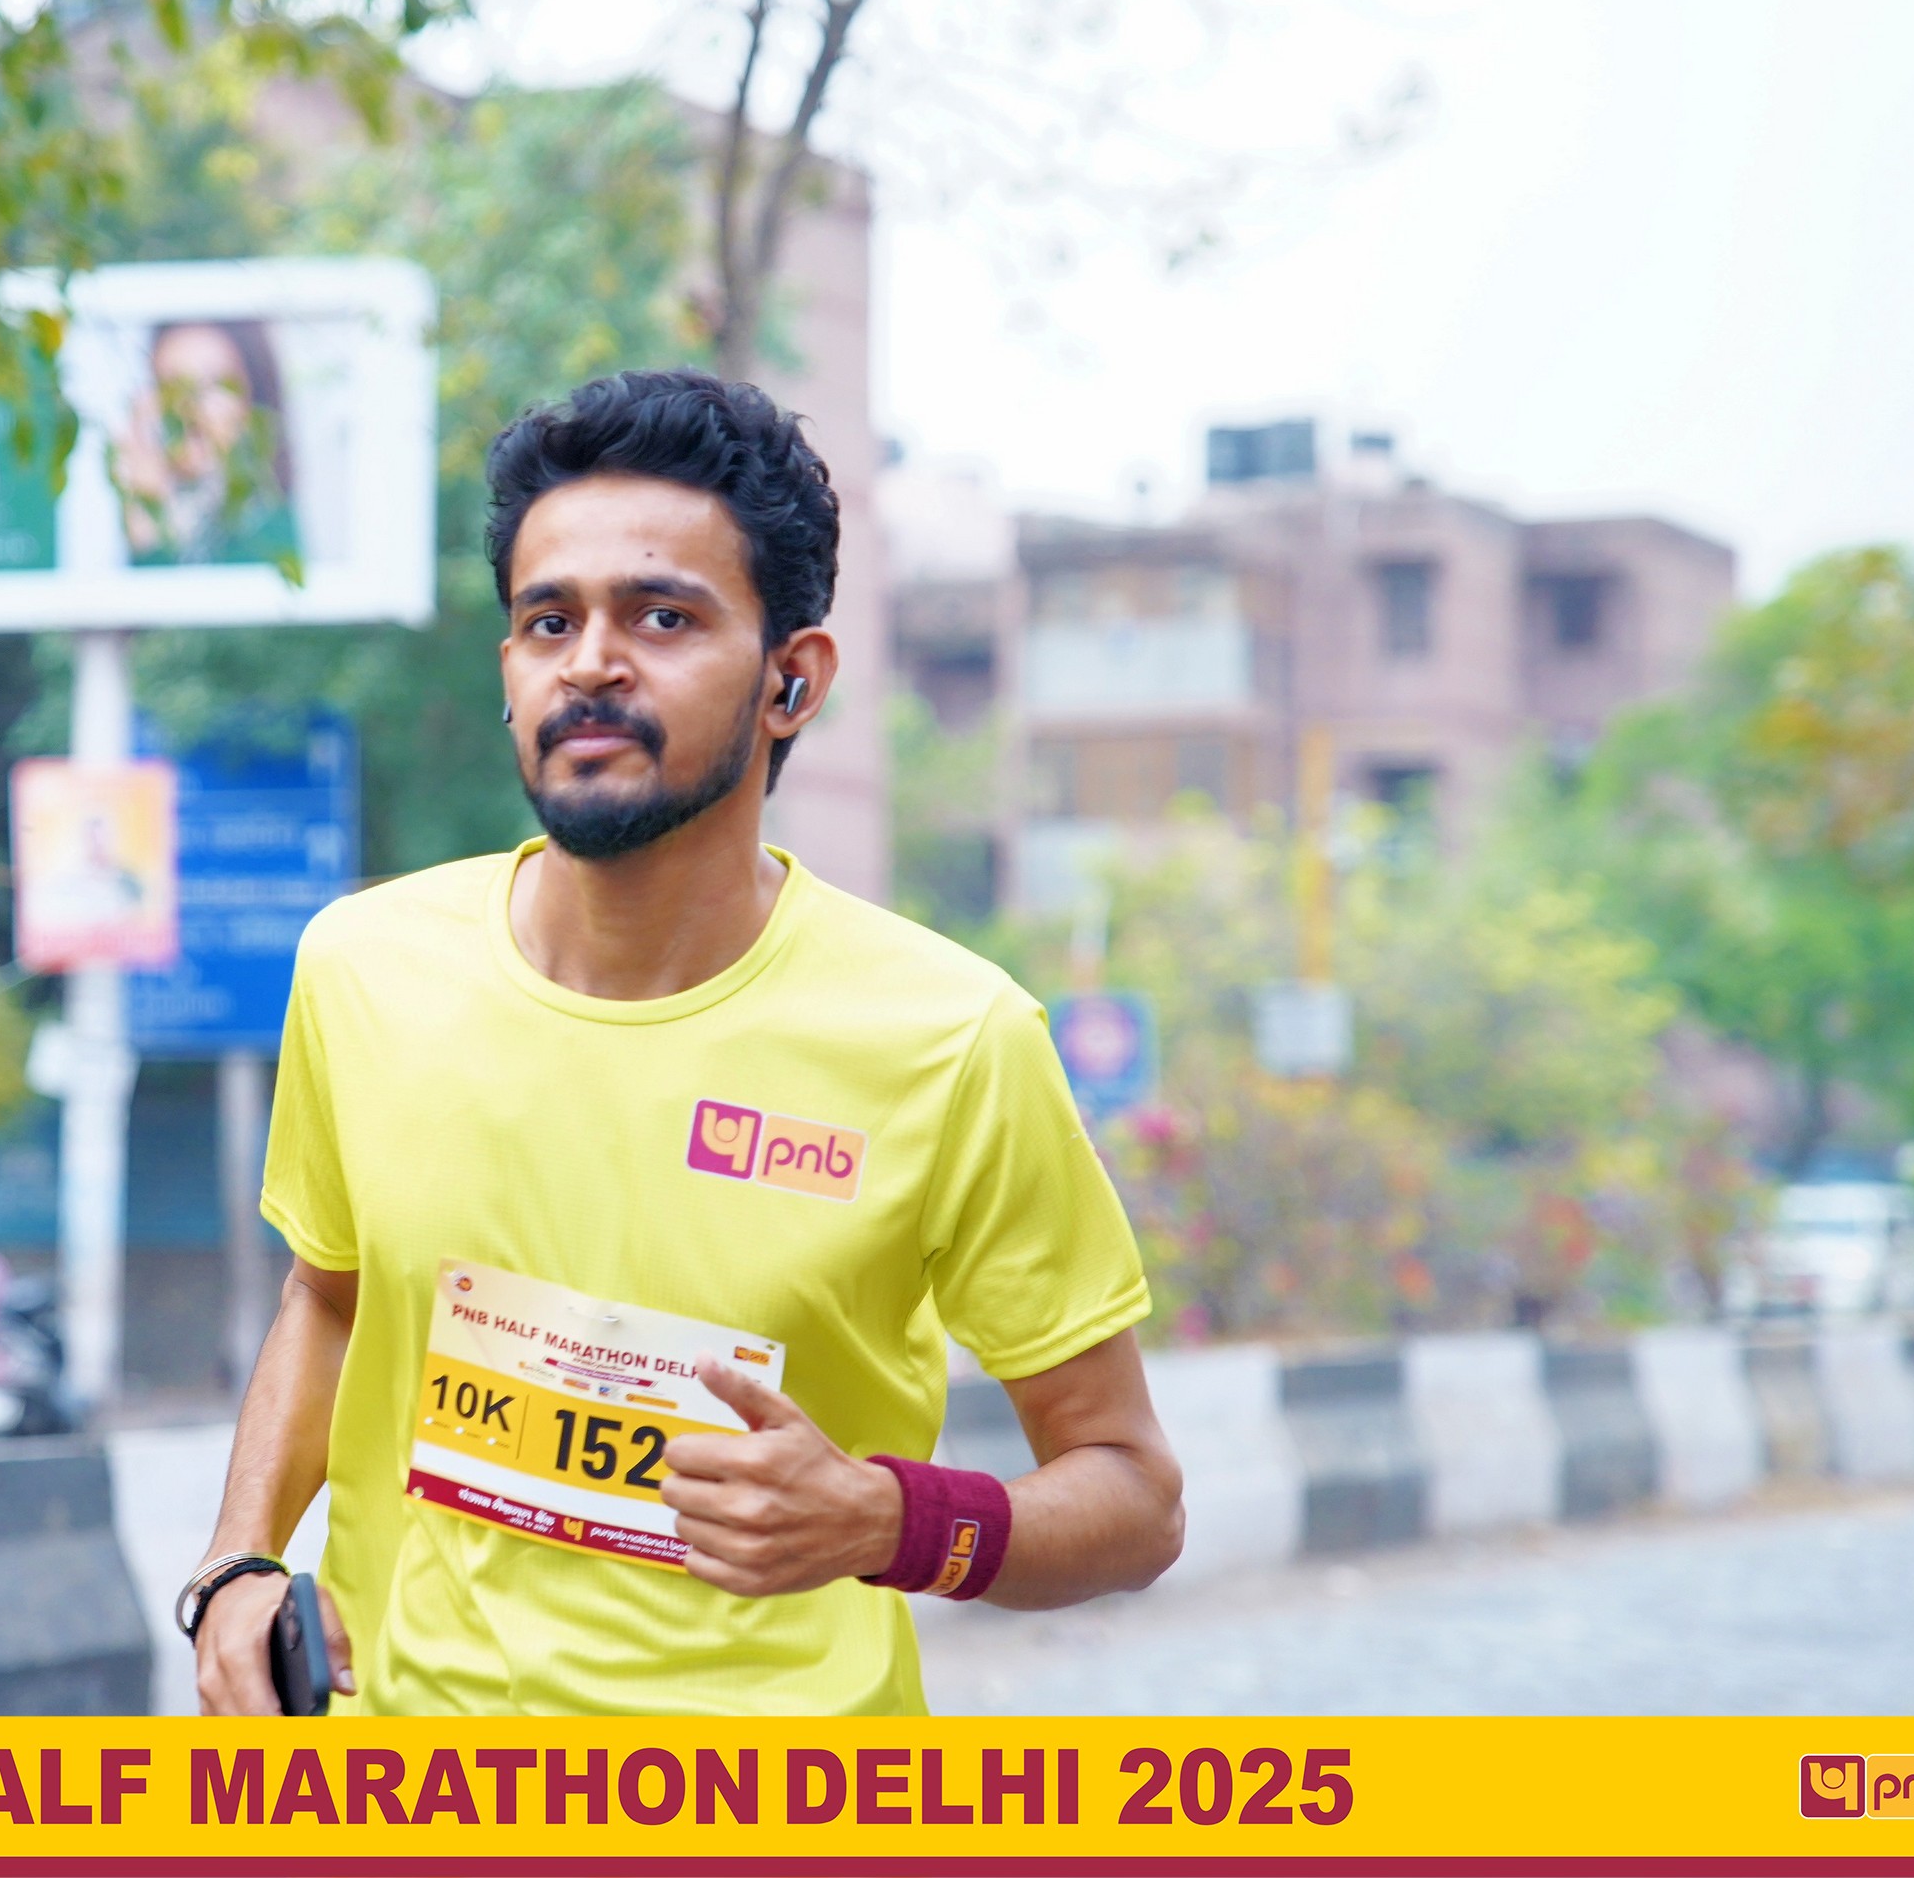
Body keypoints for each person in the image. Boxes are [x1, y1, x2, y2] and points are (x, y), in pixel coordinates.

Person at [179, 370, 1183, 1716]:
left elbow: (1133, 1497)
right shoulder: (365, 965)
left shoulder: (951, 1040)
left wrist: (886, 1521)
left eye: (662, 616)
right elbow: (331, 1296)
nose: (591, 661)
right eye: (550, 620)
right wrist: (239, 1559)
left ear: (791, 680)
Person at [112, 319, 300, 569]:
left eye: (213, 383)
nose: (191, 408)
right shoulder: (143, 508)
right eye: (172, 386)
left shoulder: (268, 518)